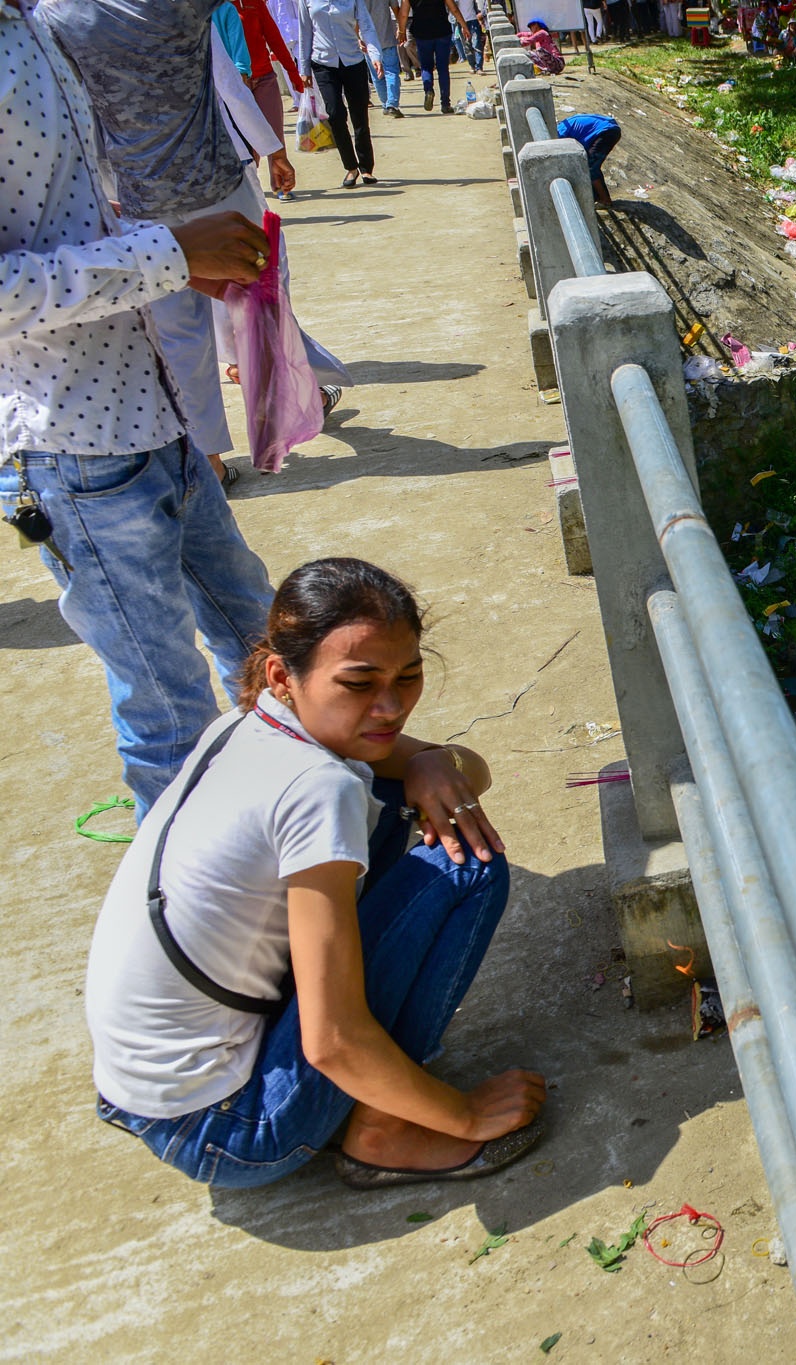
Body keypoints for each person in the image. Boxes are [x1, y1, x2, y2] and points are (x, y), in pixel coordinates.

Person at [86, 558, 548, 1190]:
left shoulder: (239, 727)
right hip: (231, 1130)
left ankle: (369, 1100)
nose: (391, 706)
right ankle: (383, 1127)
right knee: (466, 865)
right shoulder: (316, 788)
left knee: (405, 815)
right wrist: (463, 1116)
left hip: (151, 1097)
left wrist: (434, 762)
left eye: (408, 676)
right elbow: (332, 1042)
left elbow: (465, 773)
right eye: (359, 684)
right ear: (282, 675)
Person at [1, 0, 277, 810]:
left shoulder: (34, 29)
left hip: (153, 413)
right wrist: (167, 252)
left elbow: (62, 217)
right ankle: (193, 924)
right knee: (172, 724)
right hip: (75, 448)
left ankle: (298, 855)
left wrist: (169, 258)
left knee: (267, 648)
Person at [39, 0, 349, 484]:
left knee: (179, 337)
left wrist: (103, 189)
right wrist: (273, 149)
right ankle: (289, 416)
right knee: (259, 302)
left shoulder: (55, 17)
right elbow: (228, 83)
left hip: (140, 195)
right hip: (217, 184)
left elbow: (76, 111)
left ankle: (210, 462)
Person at [294, 0, 381, 185]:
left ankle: (366, 168)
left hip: (353, 61)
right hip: (323, 63)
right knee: (335, 114)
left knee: (360, 115)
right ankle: (351, 167)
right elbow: (305, 32)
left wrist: (375, 55)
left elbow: (367, 26)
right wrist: (304, 69)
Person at [233, 0, 309, 196]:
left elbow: (274, 38)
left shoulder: (254, 3)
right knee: (246, 143)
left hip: (264, 79)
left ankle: (282, 186)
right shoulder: (216, 8)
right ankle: (249, 190)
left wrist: (293, 73)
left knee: (275, 135)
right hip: (235, 84)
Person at [398, 0, 464, 113]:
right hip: (442, 30)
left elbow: (404, 14)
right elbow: (454, 9)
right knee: (443, 68)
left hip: (422, 33)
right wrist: (464, 25)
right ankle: (445, 104)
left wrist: (401, 31)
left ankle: (428, 90)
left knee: (426, 67)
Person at [558, 111, 621, 205]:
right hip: (606, 129)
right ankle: (598, 197)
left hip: (606, 132)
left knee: (590, 167)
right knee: (590, 165)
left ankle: (605, 200)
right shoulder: (561, 128)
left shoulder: (559, 134)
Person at [365, 0, 404, 116]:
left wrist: (357, 37)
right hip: (386, 37)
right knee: (391, 72)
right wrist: (401, 29)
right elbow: (396, 9)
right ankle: (392, 103)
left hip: (368, 41)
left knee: (377, 75)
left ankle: (385, 103)